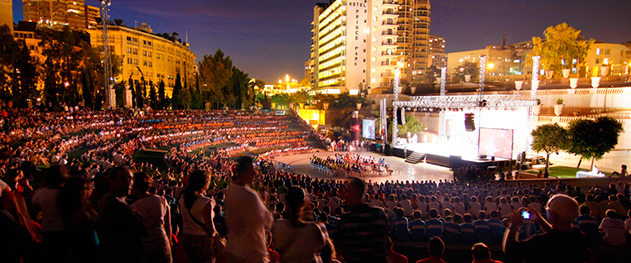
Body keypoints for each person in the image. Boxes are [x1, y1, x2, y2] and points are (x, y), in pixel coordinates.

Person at [503, 194, 592, 263]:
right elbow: (557, 236)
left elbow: (511, 250)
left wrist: (514, 226)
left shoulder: (540, 242)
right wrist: (540, 221)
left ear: (553, 215)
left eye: (548, 210)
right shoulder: (580, 238)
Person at [224, 156, 273, 263]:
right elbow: (266, 220)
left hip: (234, 247)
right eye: (251, 170)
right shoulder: (250, 195)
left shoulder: (231, 190)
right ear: (242, 172)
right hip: (251, 251)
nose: (255, 174)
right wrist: (264, 203)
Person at [97, 166, 148, 263]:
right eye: (123, 179)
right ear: (111, 181)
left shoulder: (105, 199)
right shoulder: (118, 206)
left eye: (131, 179)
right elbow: (144, 230)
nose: (128, 183)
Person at [333, 177, 389, 263]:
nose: (342, 193)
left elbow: (339, 249)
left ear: (352, 193)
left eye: (345, 190)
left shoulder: (345, 221)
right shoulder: (379, 214)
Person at [271, 186, 328, 263]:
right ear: (304, 203)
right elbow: (324, 246)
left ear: (286, 202)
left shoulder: (276, 225)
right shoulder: (314, 228)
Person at [130, 172, 172, 263]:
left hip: (144, 246)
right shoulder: (161, 200)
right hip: (162, 242)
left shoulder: (133, 207)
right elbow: (168, 225)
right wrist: (169, 241)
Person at [31, 164, 68, 263]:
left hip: (47, 229)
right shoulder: (66, 192)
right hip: (65, 229)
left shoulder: (41, 192)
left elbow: (33, 209)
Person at [58, 176, 99, 263]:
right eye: (90, 187)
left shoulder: (81, 209)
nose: (92, 190)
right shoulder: (79, 215)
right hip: (85, 253)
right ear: (81, 191)